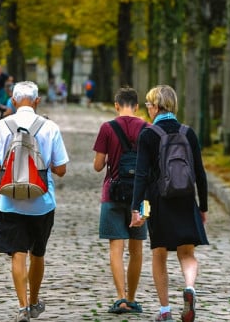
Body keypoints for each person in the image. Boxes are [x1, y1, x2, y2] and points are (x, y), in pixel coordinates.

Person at [0, 81, 70, 322]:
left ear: (12, 100)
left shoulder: (1, 126)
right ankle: (34, 301)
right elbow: (61, 169)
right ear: (37, 101)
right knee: (38, 253)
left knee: (18, 254)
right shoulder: (50, 127)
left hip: (10, 201)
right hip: (42, 202)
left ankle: (22, 307)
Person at [130, 85, 209, 322]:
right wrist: (202, 206)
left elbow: (141, 175)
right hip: (186, 198)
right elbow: (200, 173)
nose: (148, 110)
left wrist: (137, 208)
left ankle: (165, 311)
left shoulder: (149, 134)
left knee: (159, 253)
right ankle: (190, 288)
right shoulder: (188, 132)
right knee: (187, 252)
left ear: (155, 106)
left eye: (148, 105)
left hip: (159, 200)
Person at [92, 87, 148, 314]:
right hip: (142, 197)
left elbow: (97, 166)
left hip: (112, 194)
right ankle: (133, 299)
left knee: (116, 248)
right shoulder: (147, 128)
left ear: (116, 105)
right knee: (137, 249)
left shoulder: (107, 128)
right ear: (136, 106)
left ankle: (120, 297)